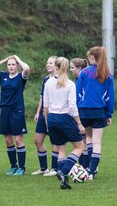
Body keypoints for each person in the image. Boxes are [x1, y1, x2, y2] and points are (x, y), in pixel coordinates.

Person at [43, 57, 85, 189]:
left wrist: (47, 123)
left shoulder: (48, 82)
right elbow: (73, 107)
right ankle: (64, 171)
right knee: (80, 147)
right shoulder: (70, 84)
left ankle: (64, 182)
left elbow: (46, 106)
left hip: (51, 119)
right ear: (66, 68)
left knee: (61, 148)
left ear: (56, 66)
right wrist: (79, 123)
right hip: (64, 118)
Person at [0, 55, 30, 175]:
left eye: (13, 64)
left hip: (17, 111)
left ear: (17, 66)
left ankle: (22, 168)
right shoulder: (3, 76)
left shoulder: (21, 77)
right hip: (5, 110)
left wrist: (19, 59)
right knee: (8, 140)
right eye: (9, 65)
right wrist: (5, 60)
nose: (11, 67)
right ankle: (13, 166)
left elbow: (27, 69)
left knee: (18, 139)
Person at [76, 46, 115, 180]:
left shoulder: (84, 73)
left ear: (92, 57)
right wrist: (109, 114)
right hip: (99, 112)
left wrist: (76, 110)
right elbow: (110, 97)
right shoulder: (107, 74)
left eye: (88, 57)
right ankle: (92, 172)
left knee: (87, 139)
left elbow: (77, 93)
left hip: (84, 111)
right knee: (97, 142)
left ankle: (87, 168)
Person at [31, 56, 61, 176]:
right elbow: (42, 97)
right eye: (47, 62)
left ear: (57, 65)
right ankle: (43, 168)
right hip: (44, 115)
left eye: (51, 63)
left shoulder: (60, 79)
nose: (48, 65)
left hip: (54, 114)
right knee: (37, 140)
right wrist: (38, 112)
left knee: (55, 141)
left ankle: (54, 169)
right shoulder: (45, 79)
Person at [70, 58, 89, 166]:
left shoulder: (85, 81)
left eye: (72, 68)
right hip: (77, 113)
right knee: (82, 141)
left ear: (79, 68)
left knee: (85, 141)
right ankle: (84, 166)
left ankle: (87, 167)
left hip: (83, 113)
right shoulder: (77, 81)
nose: (71, 70)